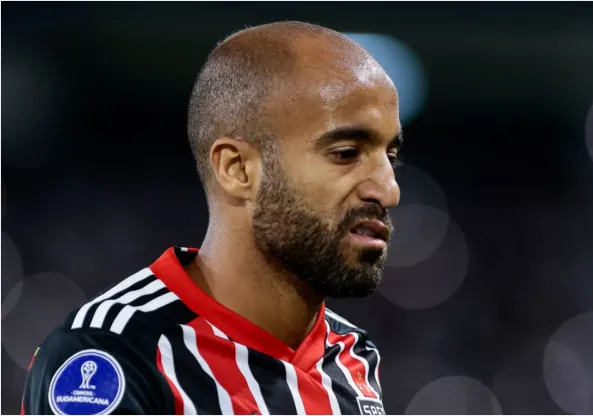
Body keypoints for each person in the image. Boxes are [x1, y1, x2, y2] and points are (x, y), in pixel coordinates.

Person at [22, 21, 403, 415]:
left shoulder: (352, 355)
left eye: (390, 158)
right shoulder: (111, 354)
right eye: (345, 153)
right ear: (237, 170)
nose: (388, 190)